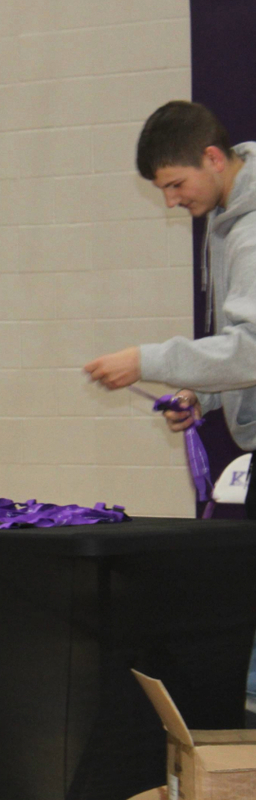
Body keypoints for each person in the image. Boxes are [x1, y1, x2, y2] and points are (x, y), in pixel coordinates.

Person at [85, 101, 256, 518]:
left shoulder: (251, 234)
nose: (170, 201)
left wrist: (146, 360)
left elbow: (252, 349)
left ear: (212, 158)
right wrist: (200, 393)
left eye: (176, 184)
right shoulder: (228, 220)